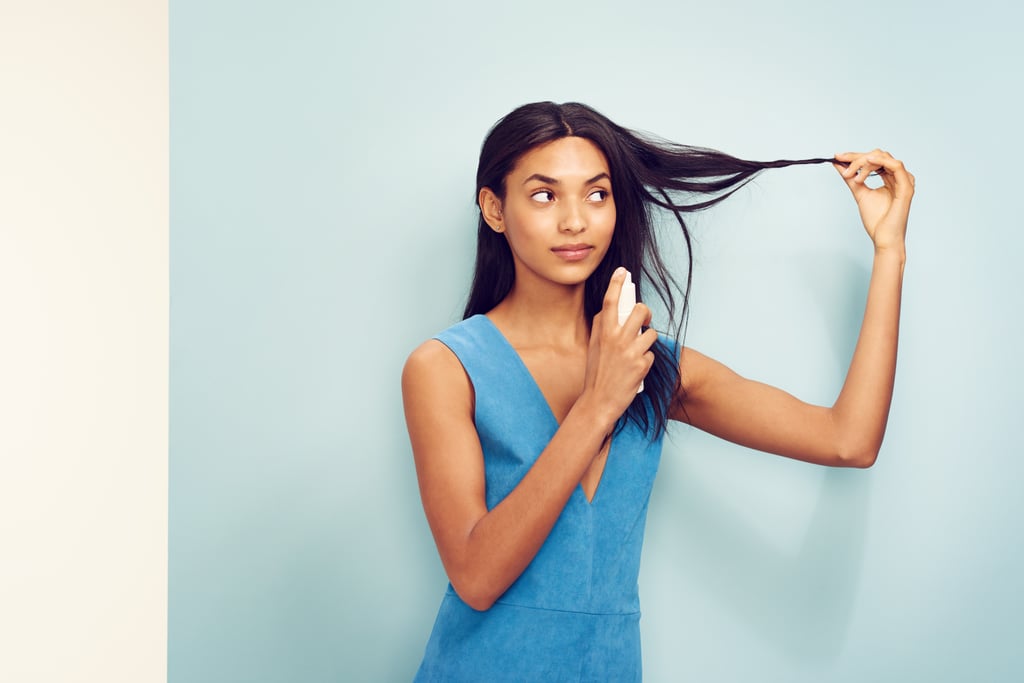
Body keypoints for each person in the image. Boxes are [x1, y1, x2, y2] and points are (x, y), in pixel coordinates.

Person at [401, 101, 914, 681]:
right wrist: (598, 403)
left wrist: (889, 250)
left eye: (597, 195)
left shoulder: (656, 365)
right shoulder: (445, 367)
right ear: (494, 209)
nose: (576, 221)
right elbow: (475, 577)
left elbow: (848, 441)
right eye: (544, 195)